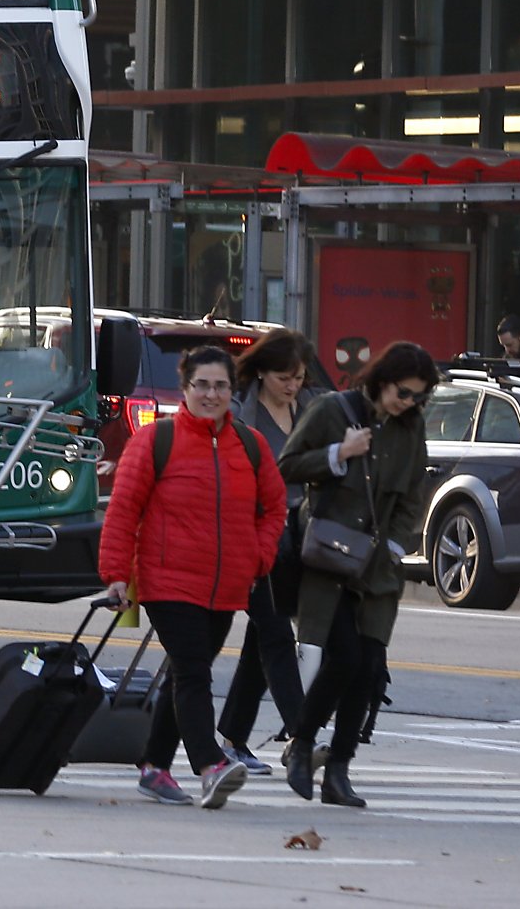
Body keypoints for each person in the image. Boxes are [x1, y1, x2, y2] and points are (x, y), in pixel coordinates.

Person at [99, 344, 286, 809]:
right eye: (201, 384)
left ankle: (154, 766)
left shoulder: (250, 444)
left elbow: (274, 507)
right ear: (185, 389)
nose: (211, 394)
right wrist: (116, 574)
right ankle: (210, 764)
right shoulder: (156, 440)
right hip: (168, 579)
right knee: (194, 670)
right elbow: (123, 511)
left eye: (220, 385)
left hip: (227, 585)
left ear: (232, 391)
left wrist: (259, 557)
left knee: (186, 673)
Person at [278, 340, 437, 809]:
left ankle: (340, 770)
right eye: (404, 394)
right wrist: (337, 454)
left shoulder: (411, 428)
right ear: (383, 380)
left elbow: (413, 493)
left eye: (418, 398)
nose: (409, 404)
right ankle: (302, 743)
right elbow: (287, 464)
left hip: (378, 565)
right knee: (344, 658)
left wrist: (395, 542)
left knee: (368, 670)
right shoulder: (334, 409)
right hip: (330, 554)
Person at [216, 330, 320, 772]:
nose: (292, 385)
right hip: (254, 537)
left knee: (261, 639)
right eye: (283, 377)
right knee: (277, 634)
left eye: (298, 377)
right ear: (261, 372)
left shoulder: (310, 407)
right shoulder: (243, 412)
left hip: (300, 536)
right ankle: (302, 735)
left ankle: (233, 736)